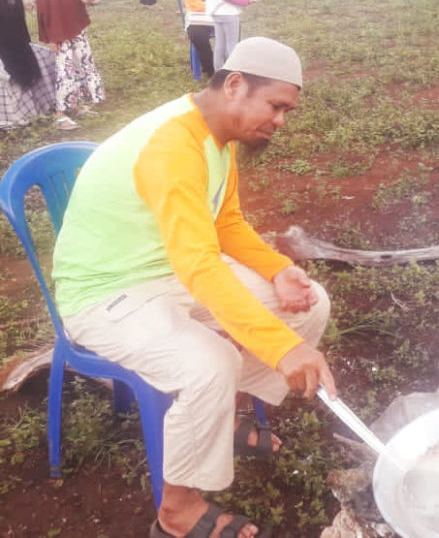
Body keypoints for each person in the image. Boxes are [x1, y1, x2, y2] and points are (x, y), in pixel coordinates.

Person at [51, 37, 337, 537]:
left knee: (309, 305)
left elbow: (224, 223)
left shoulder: (217, 135)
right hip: (104, 293)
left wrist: (275, 269)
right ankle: (177, 510)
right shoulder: (172, 145)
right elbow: (200, 265)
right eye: (276, 106)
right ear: (234, 85)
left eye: (286, 110)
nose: (281, 121)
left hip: (163, 271)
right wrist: (281, 349)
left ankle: (223, 419)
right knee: (212, 363)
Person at [35, 0, 103, 130]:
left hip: (74, 19)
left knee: (82, 62)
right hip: (58, 27)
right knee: (65, 70)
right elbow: (46, 1)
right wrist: (52, 35)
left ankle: (75, 105)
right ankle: (60, 114)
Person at [0, 0, 57, 129]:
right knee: (10, 75)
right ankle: (22, 116)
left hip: (16, 41)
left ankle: (35, 110)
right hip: (4, 48)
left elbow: (12, 2)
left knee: (37, 62)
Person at [205, 0, 250, 71]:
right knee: (232, 46)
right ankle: (233, 74)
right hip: (227, 11)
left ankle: (218, 76)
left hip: (215, 10)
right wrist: (245, 0)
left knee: (219, 46)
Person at [180, 0, 215, 78]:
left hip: (221, 12)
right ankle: (212, 71)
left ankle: (231, 66)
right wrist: (214, 5)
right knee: (197, 33)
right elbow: (192, 3)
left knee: (230, 30)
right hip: (199, 15)